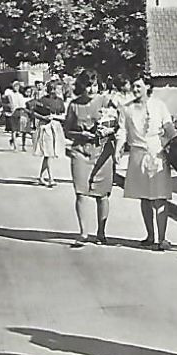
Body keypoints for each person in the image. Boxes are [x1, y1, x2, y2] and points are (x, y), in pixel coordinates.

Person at [120, 73, 177, 251]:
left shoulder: (159, 105)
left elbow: (168, 127)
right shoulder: (126, 108)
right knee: (144, 197)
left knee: (160, 196)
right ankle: (150, 235)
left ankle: (162, 238)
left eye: (139, 86)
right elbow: (122, 130)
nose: (136, 90)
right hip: (138, 154)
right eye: (134, 86)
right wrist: (118, 149)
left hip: (157, 152)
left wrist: (176, 145)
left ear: (148, 87)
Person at [63, 73, 118, 246]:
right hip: (80, 151)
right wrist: (80, 134)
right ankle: (83, 232)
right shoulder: (74, 105)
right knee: (81, 192)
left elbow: (118, 122)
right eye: (88, 86)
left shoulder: (106, 101)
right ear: (82, 86)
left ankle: (101, 232)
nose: (91, 89)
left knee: (102, 195)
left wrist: (109, 130)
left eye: (94, 85)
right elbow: (67, 130)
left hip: (102, 152)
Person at [30, 79, 67, 187]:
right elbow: (34, 113)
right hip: (46, 127)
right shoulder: (43, 100)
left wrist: (55, 117)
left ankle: (41, 177)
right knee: (49, 153)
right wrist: (43, 117)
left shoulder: (60, 101)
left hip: (56, 127)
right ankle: (51, 178)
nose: (58, 91)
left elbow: (63, 115)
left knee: (49, 154)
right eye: (56, 89)